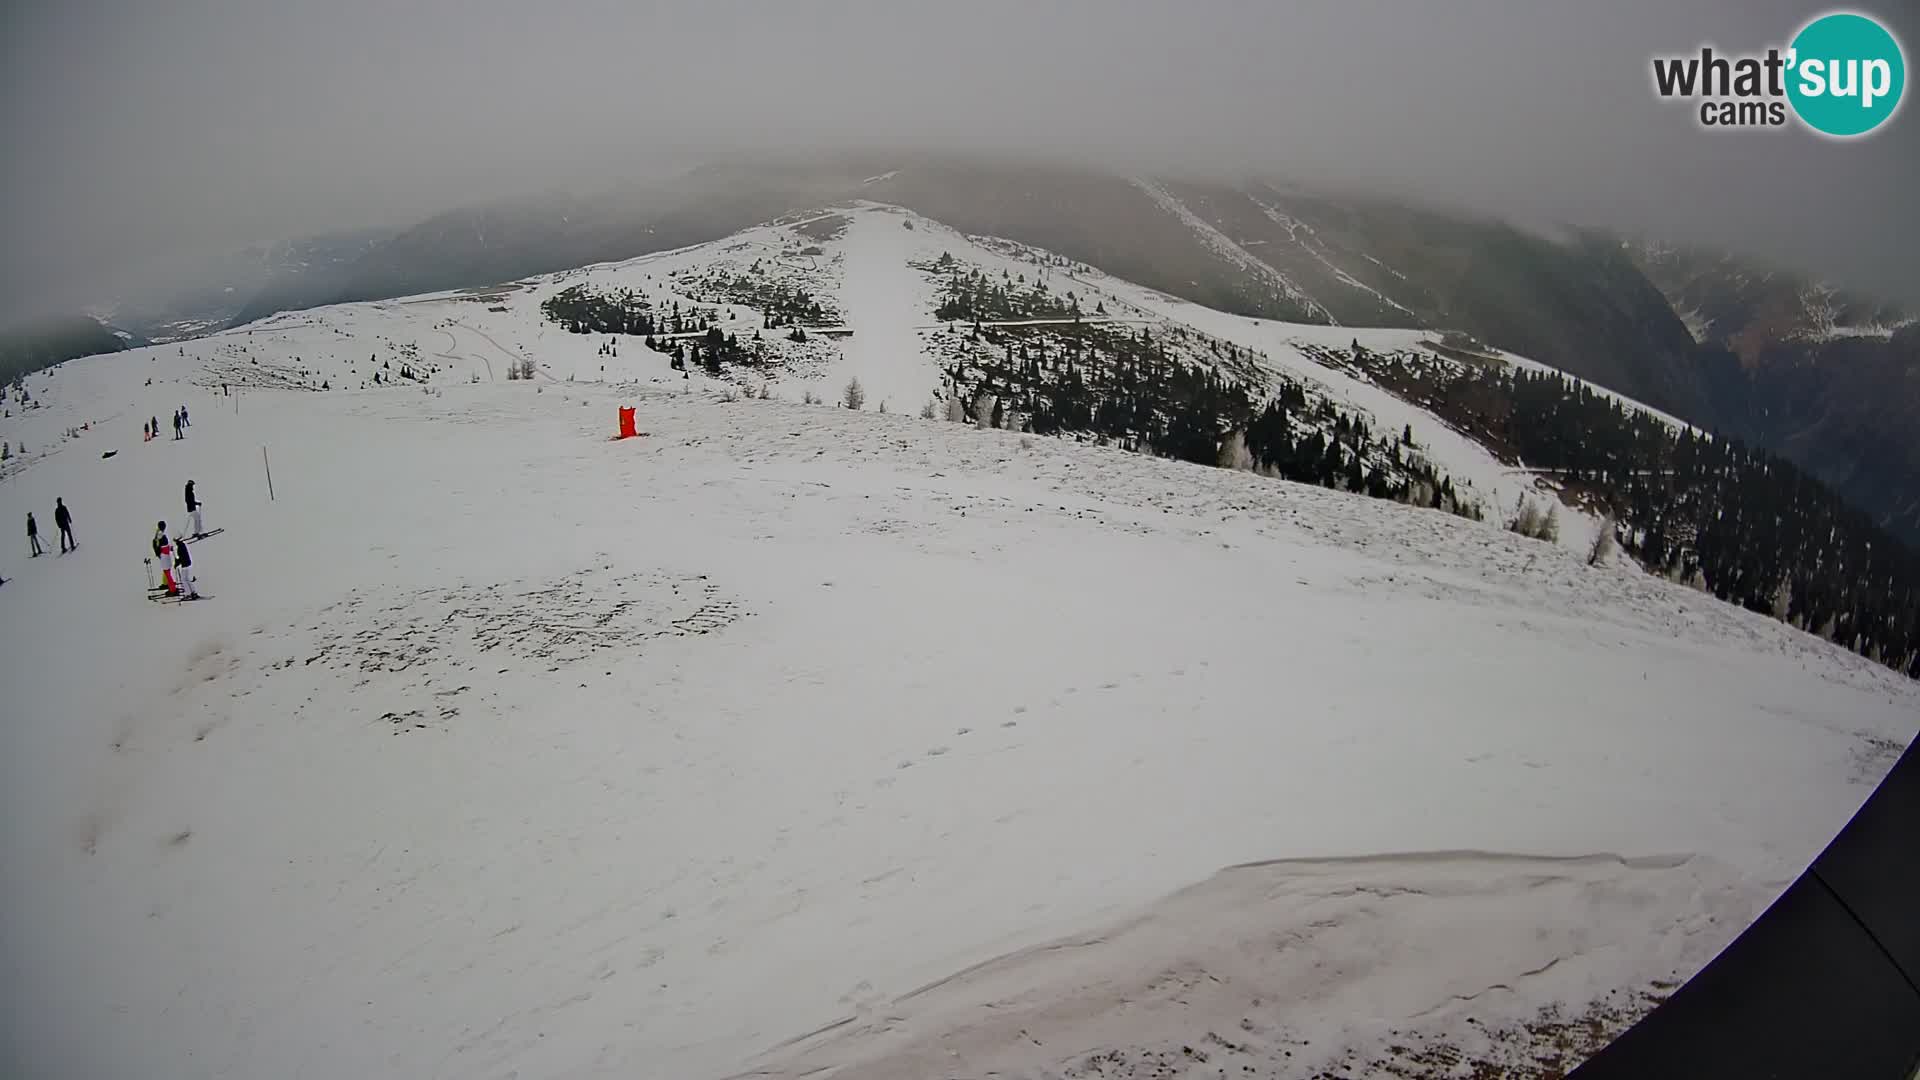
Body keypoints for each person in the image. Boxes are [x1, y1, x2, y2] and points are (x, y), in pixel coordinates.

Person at [172, 534, 199, 599]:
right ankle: (193, 592)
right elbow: (181, 557)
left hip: (185, 564)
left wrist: (176, 563)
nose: (175, 542)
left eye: (175, 541)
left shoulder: (180, 547)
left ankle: (188, 594)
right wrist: (177, 561)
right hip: (187, 563)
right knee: (186, 579)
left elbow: (181, 558)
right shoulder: (182, 545)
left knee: (183, 579)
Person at [152, 521, 174, 594]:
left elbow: (162, 545)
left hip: (164, 554)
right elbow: (160, 545)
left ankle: (166, 583)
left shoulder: (159, 533)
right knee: (167, 572)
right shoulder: (160, 534)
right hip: (164, 555)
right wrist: (167, 548)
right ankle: (172, 589)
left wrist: (169, 547)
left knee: (166, 571)